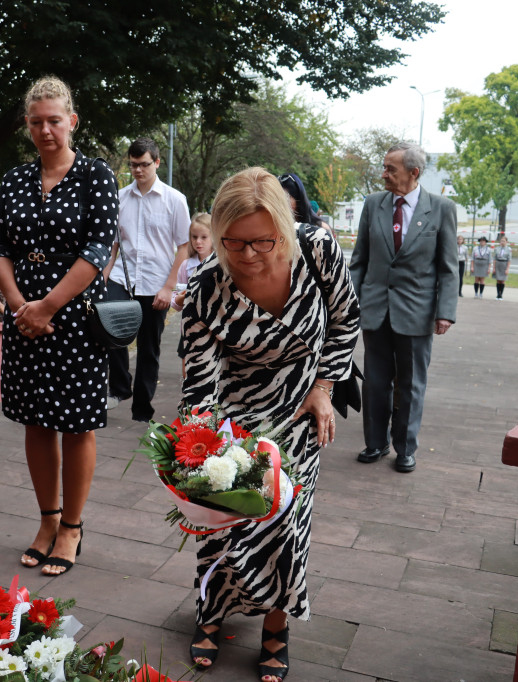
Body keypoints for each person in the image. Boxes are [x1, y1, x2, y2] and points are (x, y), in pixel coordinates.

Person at [180, 167, 359, 682]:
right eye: (234, 242)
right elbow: (201, 380)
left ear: (284, 227)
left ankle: (277, 628)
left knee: (287, 523)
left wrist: (324, 388)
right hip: (235, 413)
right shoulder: (207, 287)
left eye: (263, 241)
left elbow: (347, 319)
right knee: (221, 520)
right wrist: (200, 444)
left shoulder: (317, 250)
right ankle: (210, 614)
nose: (250, 255)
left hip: (303, 405)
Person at [0, 75, 118, 576]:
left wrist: (48, 306)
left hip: (75, 317)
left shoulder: (95, 175)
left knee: (77, 423)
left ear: (72, 122)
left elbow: (96, 249)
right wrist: (21, 304)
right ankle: (46, 521)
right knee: (36, 421)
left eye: (55, 121)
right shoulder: (15, 180)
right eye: (37, 122)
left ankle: (72, 528)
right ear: (28, 125)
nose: (46, 130)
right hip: (24, 319)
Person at [348, 141, 458, 474]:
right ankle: (375, 443)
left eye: (389, 169)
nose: (383, 174)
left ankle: (405, 448)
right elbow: (360, 261)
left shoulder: (441, 209)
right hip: (375, 309)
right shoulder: (373, 204)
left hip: (417, 312)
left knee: (410, 384)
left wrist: (445, 311)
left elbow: (448, 267)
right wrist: (350, 302)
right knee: (375, 382)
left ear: (413, 172)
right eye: (383, 167)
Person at [104, 137, 190, 422]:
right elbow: (114, 243)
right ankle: (119, 387)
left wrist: (168, 287)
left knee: (148, 348)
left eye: (143, 165)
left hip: (156, 282)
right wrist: (104, 276)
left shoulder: (175, 200)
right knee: (110, 330)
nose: (138, 171)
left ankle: (142, 408)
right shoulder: (119, 198)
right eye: (133, 165)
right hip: (122, 277)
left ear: (156, 162)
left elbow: (184, 246)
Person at [171, 213, 214, 375]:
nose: (198, 242)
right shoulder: (186, 266)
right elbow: (175, 302)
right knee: (188, 371)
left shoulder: (219, 264)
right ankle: (188, 399)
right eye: (194, 237)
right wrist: (180, 299)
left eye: (204, 237)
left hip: (212, 327)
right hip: (189, 327)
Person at [493, 235, 512, 301]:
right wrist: (494, 268)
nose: (502, 242)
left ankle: (501, 294)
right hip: (498, 263)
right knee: (498, 280)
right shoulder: (497, 249)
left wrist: (507, 269)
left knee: (502, 280)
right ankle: (498, 294)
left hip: (504, 264)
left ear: (506, 242)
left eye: (504, 241)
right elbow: (494, 258)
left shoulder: (509, 249)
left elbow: (509, 259)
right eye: (501, 241)